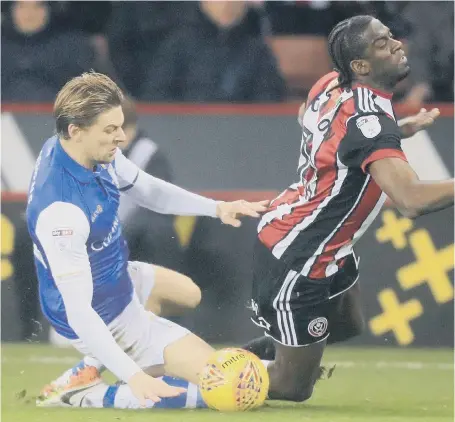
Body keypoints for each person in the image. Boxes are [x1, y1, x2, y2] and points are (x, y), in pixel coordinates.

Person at [243, 15, 454, 402]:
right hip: (299, 255)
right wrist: (382, 136)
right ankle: (211, 374)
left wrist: (396, 130)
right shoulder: (367, 121)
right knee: (293, 388)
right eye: (381, 44)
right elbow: (410, 200)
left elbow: (311, 119)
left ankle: (275, 342)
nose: (396, 44)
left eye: (390, 36)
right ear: (360, 67)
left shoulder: (330, 84)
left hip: (318, 237)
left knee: (347, 321)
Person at [26, 71, 268, 408]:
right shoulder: (61, 212)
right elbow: (80, 312)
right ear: (75, 130)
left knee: (189, 293)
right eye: (110, 130)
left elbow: (147, 189)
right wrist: (134, 377)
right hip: (101, 314)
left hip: (117, 277)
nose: (121, 138)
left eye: (120, 126)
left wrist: (217, 208)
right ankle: (88, 394)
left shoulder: (81, 149)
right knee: (232, 391)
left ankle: (93, 368)